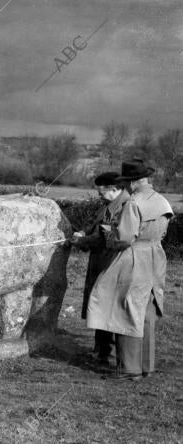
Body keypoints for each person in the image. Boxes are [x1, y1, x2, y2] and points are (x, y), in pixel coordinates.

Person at [86, 159, 173, 380]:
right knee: (147, 310)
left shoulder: (134, 203)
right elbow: (161, 231)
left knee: (124, 307)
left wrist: (109, 234)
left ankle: (128, 368)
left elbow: (124, 239)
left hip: (134, 256)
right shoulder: (162, 200)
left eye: (126, 182)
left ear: (132, 182)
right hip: (155, 255)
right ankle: (146, 366)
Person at [71, 172, 129, 369]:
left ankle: (105, 354)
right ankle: (100, 350)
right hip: (100, 261)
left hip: (110, 262)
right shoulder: (109, 205)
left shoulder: (125, 207)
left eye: (102, 193)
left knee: (106, 306)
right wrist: (83, 232)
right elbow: (95, 227)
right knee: (99, 305)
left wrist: (80, 241)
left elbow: (104, 239)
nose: (100, 196)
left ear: (114, 189)